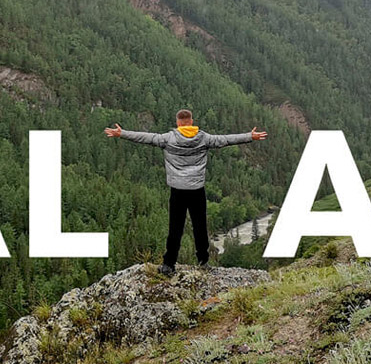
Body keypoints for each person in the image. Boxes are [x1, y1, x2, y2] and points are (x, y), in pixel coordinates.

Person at [104, 109, 268, 275]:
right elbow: (226, 140)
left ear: (178, 122)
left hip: (178, 191)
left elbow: (145, 138)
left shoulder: (168, 139)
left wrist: (122, 133)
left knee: (175, 228)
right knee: (200, 227)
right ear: (191, 122)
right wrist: (250, 136)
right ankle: (203, 262)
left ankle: (169, 264)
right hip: (197, 190)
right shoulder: (204, 138)